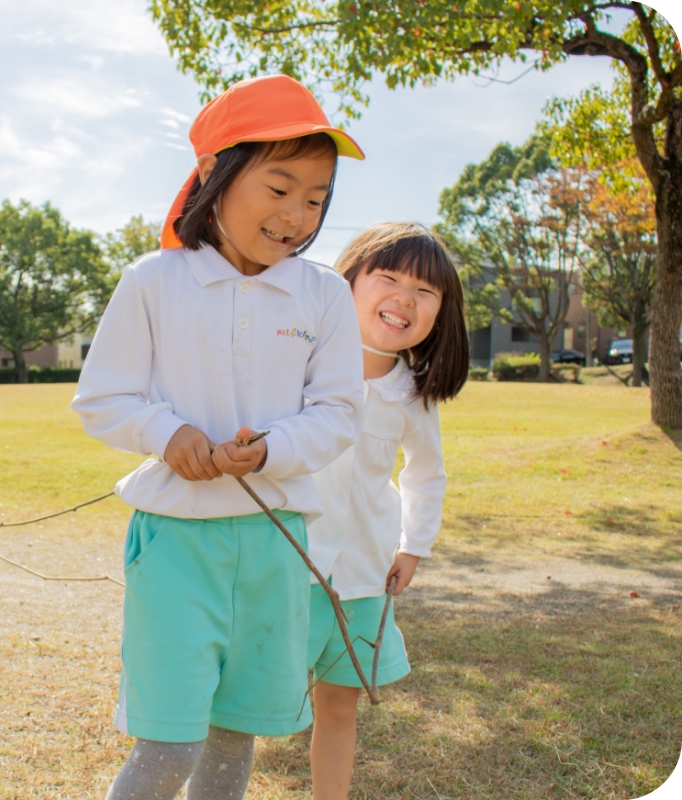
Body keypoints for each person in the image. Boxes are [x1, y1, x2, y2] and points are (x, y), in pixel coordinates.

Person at [72, 75, 366, 800]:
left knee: (235, 741)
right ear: (213, 173)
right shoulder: (153, 281)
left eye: (316, 198)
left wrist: (269, 448)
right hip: (176, 542)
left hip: (274, 544)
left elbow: (338, 412)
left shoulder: (322, 293)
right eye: (279, 187)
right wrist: (168, 435)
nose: (297, 214)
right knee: (169, 747)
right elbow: (102, 399)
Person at [303, 223, 470, 800]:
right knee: (257, 701)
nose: (405, 298)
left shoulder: (413, 394)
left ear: (441, 313)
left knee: (340, 703)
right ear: (347, 279)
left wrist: (413, 545)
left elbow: (425, 473)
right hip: (286, 564)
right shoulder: (302, 361)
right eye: (389, 278)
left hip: (364, 572)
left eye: (426, 292)